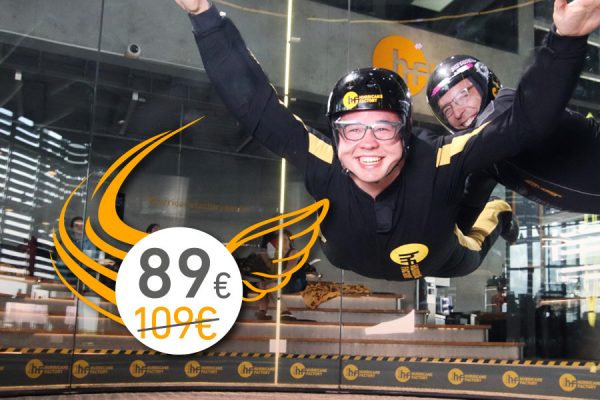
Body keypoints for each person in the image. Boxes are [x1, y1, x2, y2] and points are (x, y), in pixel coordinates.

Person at [173, 0, 600, 281]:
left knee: (473, 236)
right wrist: (204, 16)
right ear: (336, 134)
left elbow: (526, 121)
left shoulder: (442, 158)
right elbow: (255, 108)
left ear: (406, 132)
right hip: (347, 255)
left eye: (383, 127)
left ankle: (500, 211)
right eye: (353, 128)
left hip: (441, 256)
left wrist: (565, 40)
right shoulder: (324, 159)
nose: (368, 143)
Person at [426, 53, 600, 233]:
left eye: (463, 95)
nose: (458, 112)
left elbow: (495, 126)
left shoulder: (508, 107)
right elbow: (469, 206)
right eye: (447, 110)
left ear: (484, 81)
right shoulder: (484, 154)